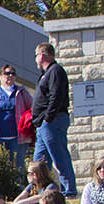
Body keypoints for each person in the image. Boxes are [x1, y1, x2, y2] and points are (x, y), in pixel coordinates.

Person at [32, 43, 76, 193]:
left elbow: (56, 95)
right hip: (42, 125)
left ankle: (68, 190)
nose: (36, 60)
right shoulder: (45, 74)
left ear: (43, 55)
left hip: (53, 122)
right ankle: (39, 191)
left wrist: (48, 117)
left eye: (36, 56)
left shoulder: (56, 71)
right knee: (39, 162)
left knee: (59, 156)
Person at [0, 64, 33, 169]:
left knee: (18, 169)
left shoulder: (22, 93)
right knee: (0, 169)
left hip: (18, 139)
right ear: (0, 76)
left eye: (13, 74)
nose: (10, 76)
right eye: (7, 73)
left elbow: (32, 108)